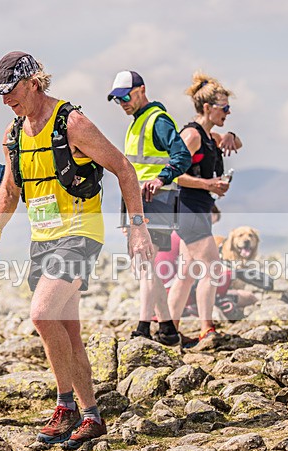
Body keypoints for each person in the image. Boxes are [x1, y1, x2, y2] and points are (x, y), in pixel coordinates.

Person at [0, 51, 154, 450]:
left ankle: (65, 406)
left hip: (80, 233)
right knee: (67, 329)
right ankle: (90, 414)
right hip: (43, 238)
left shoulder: (72, 123)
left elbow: (123, 168)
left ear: (33, 84)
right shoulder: (13, 134)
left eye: (11, 90)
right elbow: (10, 189)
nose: (6, 99)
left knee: (41, 314)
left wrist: (137, 227)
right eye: (0, 93)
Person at [108, 70, 190, 345]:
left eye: (126, 97)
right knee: (146, 266)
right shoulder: (137, 122)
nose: (123, 104)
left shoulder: (158, 120)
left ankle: (143, 327)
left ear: (142, 90)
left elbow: (182, 156)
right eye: (118, 100)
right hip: (139, 204)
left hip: (156, 202)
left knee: (145, 265)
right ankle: (167, 329)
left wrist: (161, 178)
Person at [167, 71, 243, 344]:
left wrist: (231, 135)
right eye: (225, 108)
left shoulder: (211, 136)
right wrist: (208, 184)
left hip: (198, 209)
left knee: (186, 275)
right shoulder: (192, 136)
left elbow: (237, 143)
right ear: (208, 108)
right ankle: (206, 329)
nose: (228, 113)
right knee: (212, 269)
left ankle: (169, 331)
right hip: (188, 210)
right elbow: (174, 174)